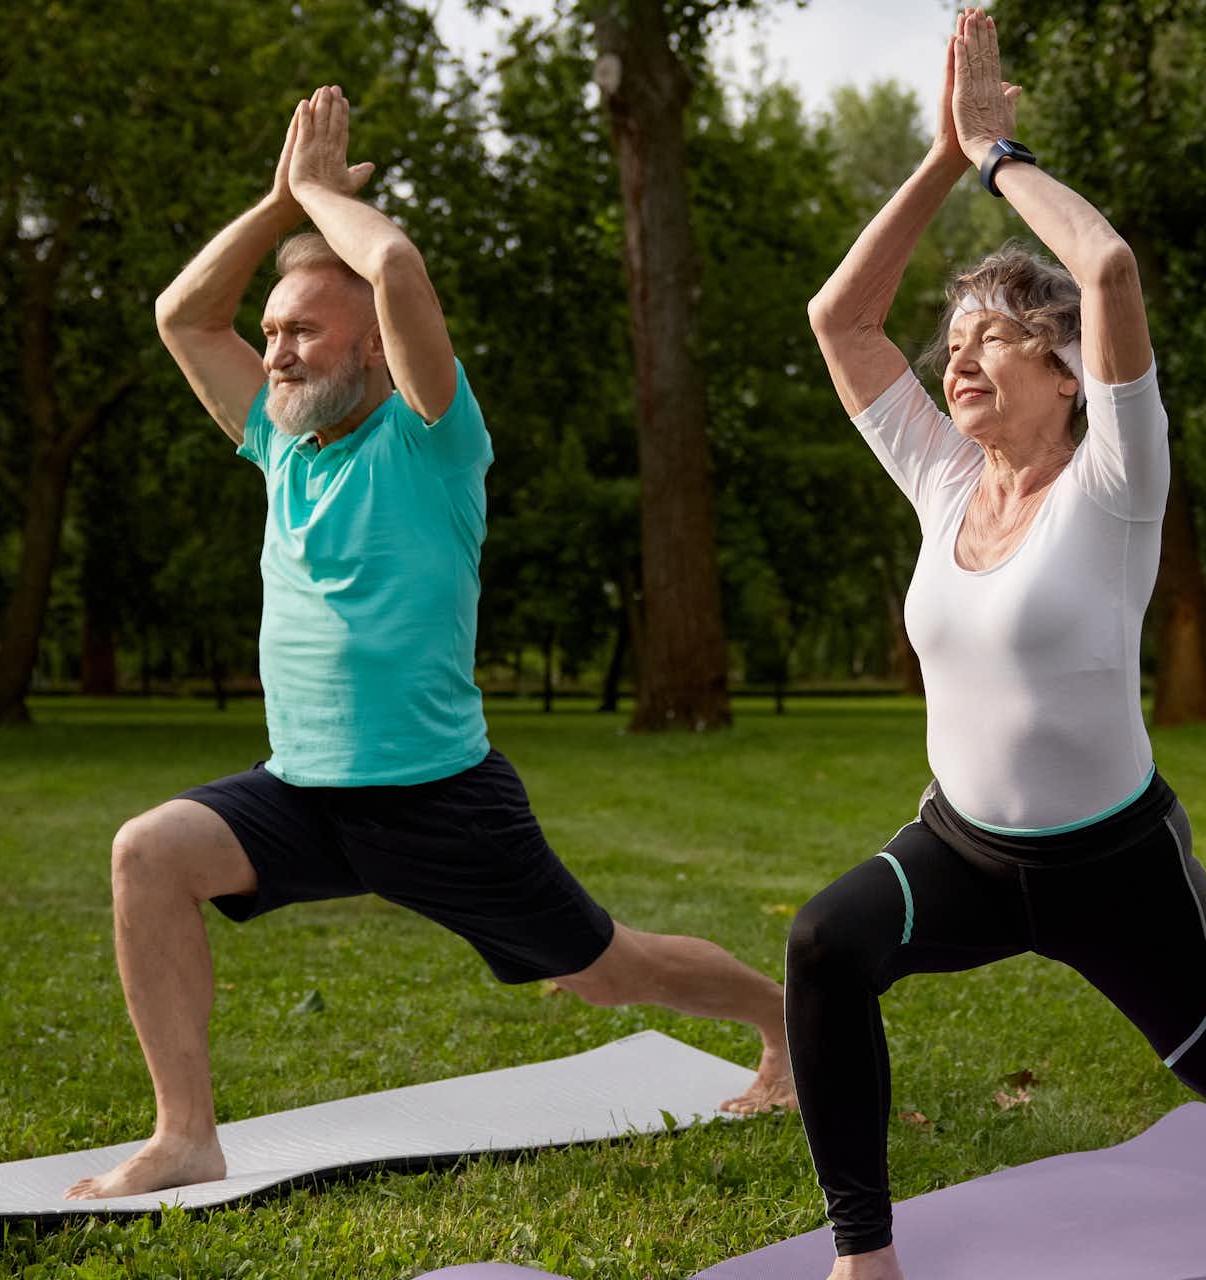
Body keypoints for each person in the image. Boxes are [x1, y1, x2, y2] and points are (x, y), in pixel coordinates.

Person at [67, 86, 792, 1201]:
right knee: (147, 853)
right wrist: (282, 203)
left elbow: (397, 265)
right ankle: (186, 1134)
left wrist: (321, 193)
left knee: (607, 971)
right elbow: (181, 315)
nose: (276, 352)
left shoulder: (432, 438)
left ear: (372, 345)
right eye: (272, 333)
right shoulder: (278, 444)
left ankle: (784, 1021)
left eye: (302, 331)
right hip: (303, 792)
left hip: (439, 800)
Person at [790, 12, 1206, 1275]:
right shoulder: (939, 475)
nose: (958, 358)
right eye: (952, 343)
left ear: (1066, 371)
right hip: (961, 847)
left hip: (1115, 863)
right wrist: (937, 158)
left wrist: (995, 156)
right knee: (824, 941)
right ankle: (864, 1248)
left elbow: (1110, 267)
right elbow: (839, 319)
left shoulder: (1116, 483)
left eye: (990, 336)